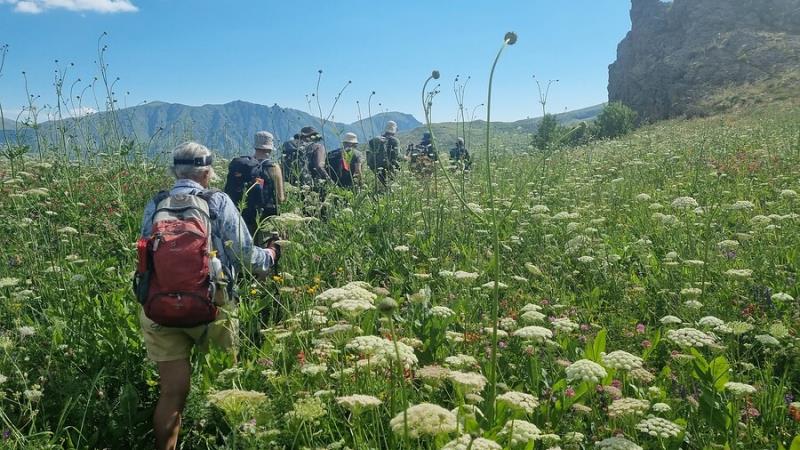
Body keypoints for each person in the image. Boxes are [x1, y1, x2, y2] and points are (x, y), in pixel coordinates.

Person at [139, 141, 280, 450]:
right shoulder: (217, 201)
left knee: (171, 394)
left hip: (159, 307)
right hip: (213, 306)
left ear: (175, 171)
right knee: (226, 386)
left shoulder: (156, 203)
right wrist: (270, 254)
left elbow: (143, 252)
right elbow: (245, 255)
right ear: (206, 173)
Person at [224, 131, 285, 236]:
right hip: (265, 216)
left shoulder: (243, 165)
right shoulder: (273, 167)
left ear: (255, 146)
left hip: (243, 215)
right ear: (270, 148)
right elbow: (280, 198)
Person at [367, 120, 401, 188]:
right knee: (390, 186)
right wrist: (406, 158)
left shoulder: (377, 139)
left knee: (384, 185)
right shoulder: (395, 141)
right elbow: (397, 156)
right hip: (389, 167)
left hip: (376, 167)